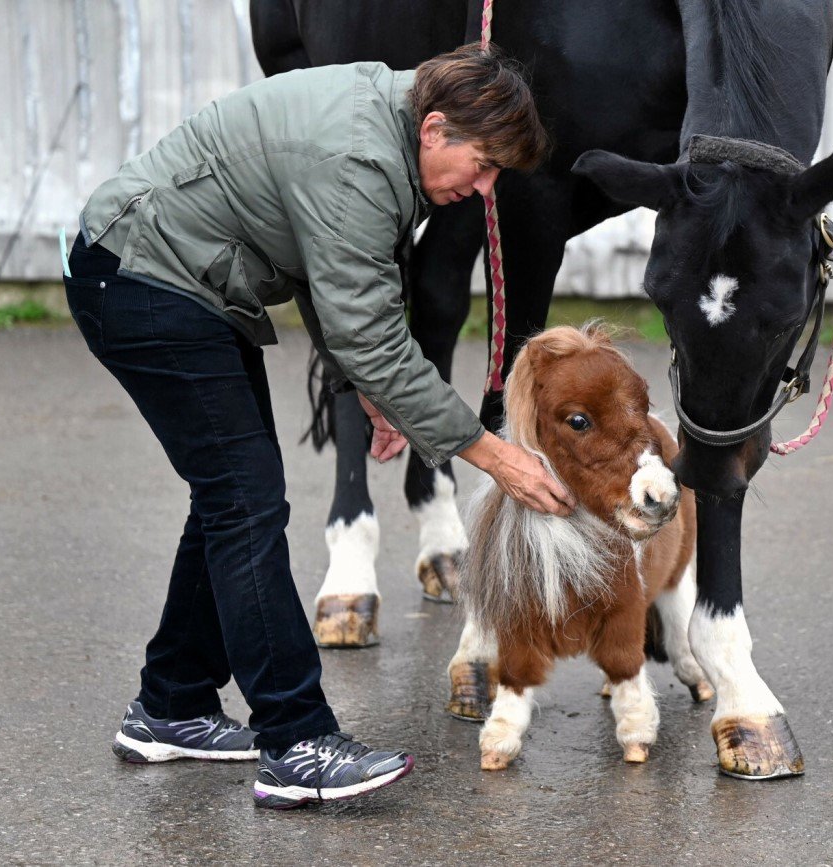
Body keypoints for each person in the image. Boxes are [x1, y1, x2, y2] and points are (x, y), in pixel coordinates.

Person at [63, 44, 574, 809]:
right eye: (485, 164)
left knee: (233, 499)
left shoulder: (391, 127)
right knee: (245, 502)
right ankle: (296, 740)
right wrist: (497, 456)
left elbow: (334, 272)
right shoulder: (359, 159)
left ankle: (171, 703)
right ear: (436, 128)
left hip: (178, 280)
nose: (485, 187)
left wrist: (360, 385)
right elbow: (371, 327)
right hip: (143, 280)